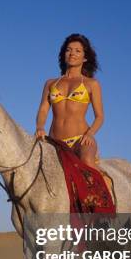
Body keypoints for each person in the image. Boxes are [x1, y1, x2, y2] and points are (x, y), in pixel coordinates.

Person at [35, 34, 104, 169]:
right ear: (64, 54)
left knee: (87, 162)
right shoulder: (50, 83)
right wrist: (39, 127)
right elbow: (43, 109)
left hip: (81, 140)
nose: (72, 53)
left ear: (85, 57)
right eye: (69, 50)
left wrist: (90, 134)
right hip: (54, 142)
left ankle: (103, 189)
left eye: (78, 51)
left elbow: (100, 117)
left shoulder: (92, 84)